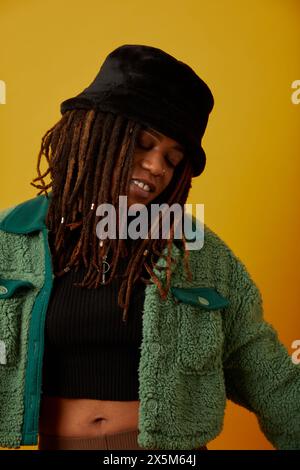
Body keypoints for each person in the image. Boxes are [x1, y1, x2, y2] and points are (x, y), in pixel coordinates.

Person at [0, 44, 299, 451]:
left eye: (173, 159)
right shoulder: (12, 240)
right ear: (93, 135)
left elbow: (265, 372)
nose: (158, 167)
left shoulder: (200, 254)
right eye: (143, 143)